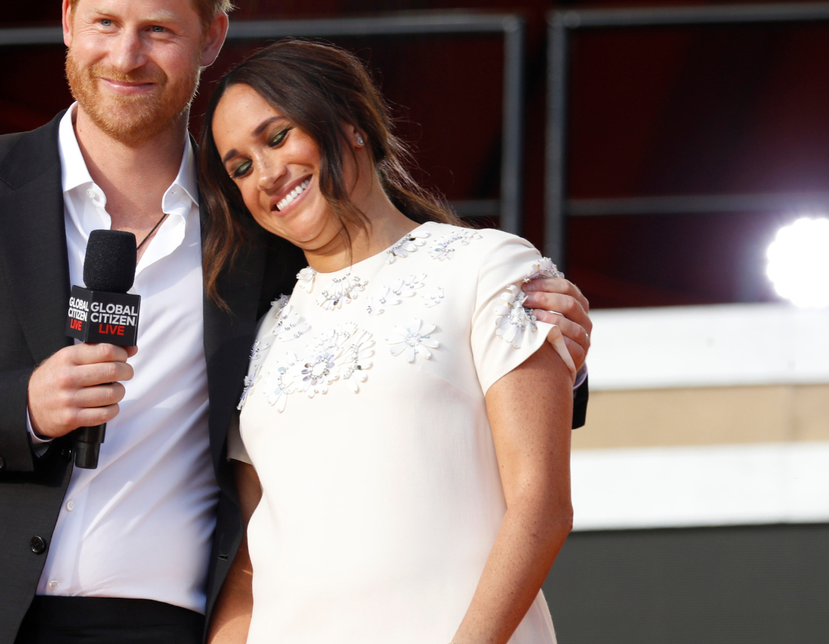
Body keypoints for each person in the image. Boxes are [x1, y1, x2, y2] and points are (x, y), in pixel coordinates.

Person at [0, 0, 593, 643]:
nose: (126, 55)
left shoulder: (259, 219)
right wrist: (22, 407)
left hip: (168, 627)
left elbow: (389, 304)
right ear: (70, 18)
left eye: (159, 30)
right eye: (107, 23)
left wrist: (553, 347)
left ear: (211, 37)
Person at [200, 39, 576, 644]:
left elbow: (541, 506)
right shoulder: (262, 332)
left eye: (277, 137)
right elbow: (248, 564)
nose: (266, 174)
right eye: (240, 167)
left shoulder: (487, 266)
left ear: (350, 125)